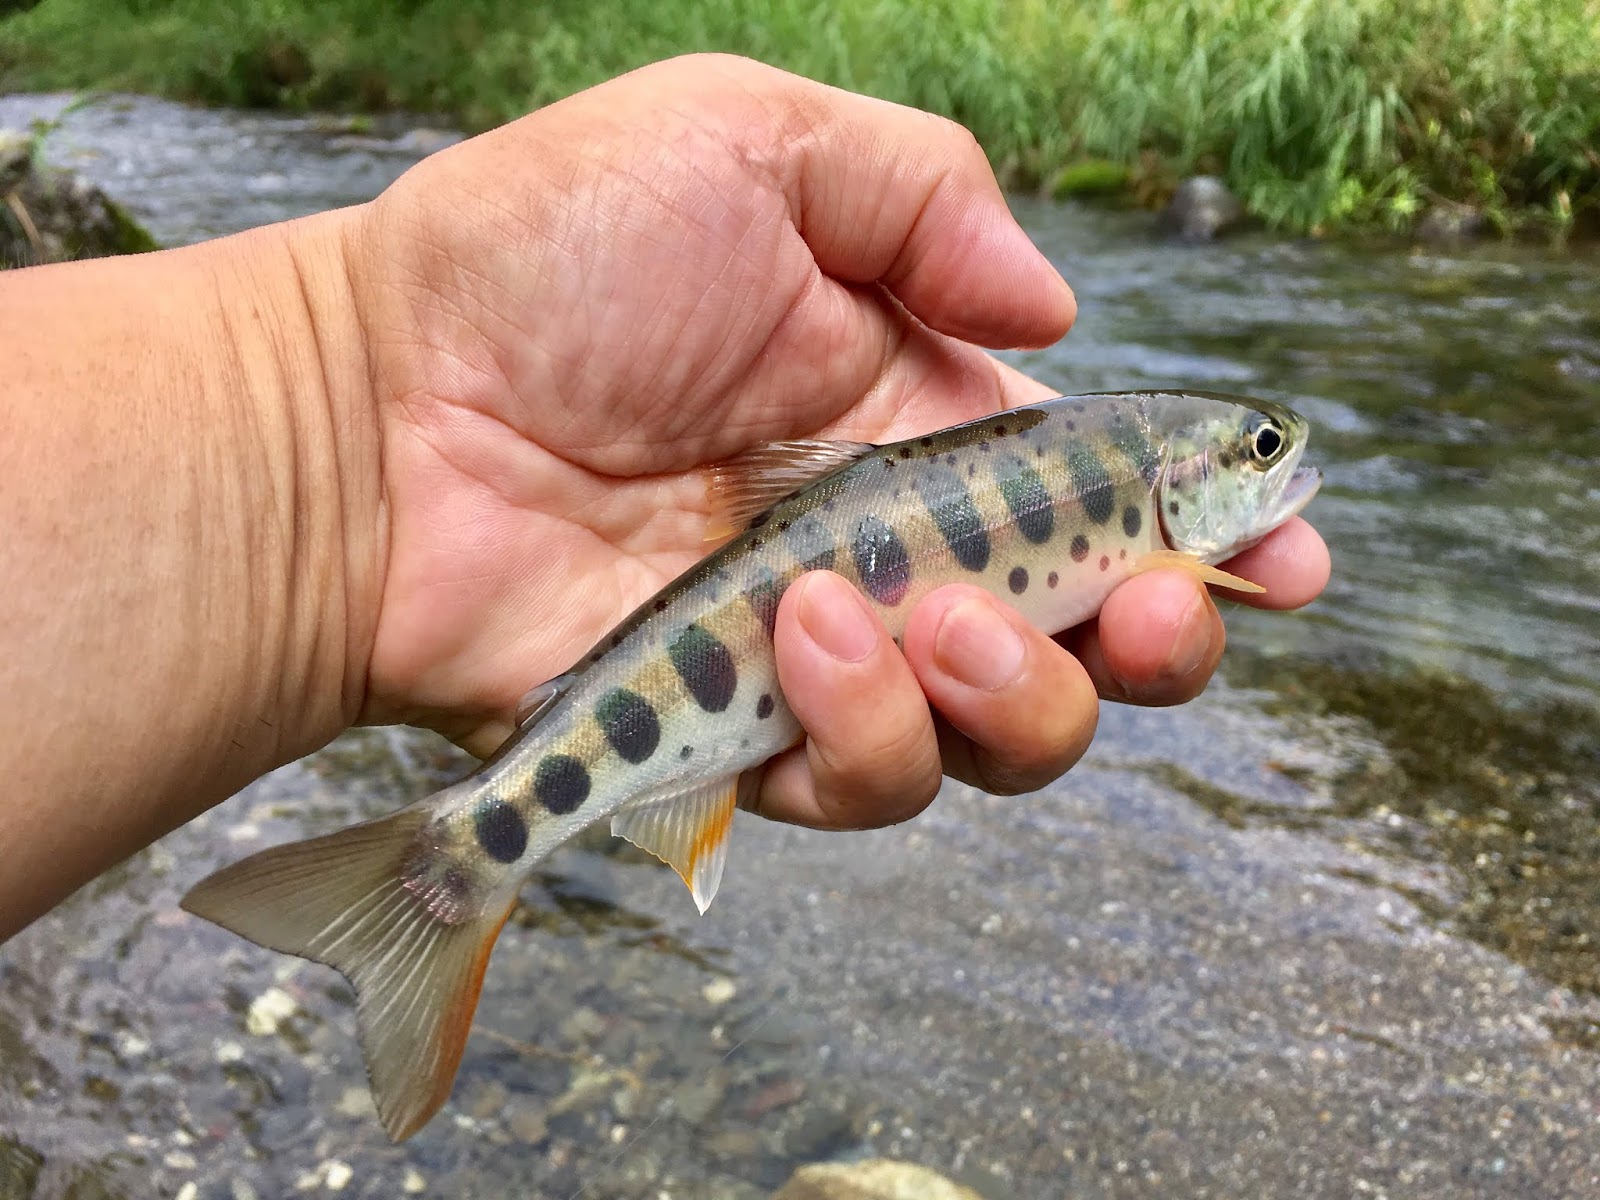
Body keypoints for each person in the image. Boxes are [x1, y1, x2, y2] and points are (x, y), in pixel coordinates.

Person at [0, 55, 1329, 942]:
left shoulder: (1119, 465)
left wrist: (342, 431)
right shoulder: (1121, 466)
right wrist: (353, 405)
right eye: (1263, 449)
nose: (1281, 461)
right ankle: (464, 857)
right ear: (1189, 475)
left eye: (1260, 446)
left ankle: (476, 848)